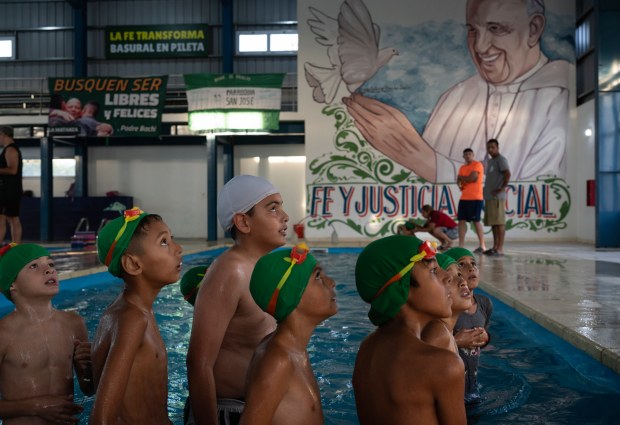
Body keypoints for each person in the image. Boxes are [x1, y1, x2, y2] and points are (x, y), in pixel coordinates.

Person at [343, 0, 569, 183]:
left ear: (534, 29)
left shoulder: (561, 98)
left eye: (495, 28)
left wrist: (425, 161)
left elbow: (539, 193)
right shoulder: (456, 96)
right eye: (473, 30)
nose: (479, 46)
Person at [186, 175, 289, 425]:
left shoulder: (262, 269)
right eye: (272, 208)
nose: (285, 216)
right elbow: (198, 363)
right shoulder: (230, 270)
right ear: (243, 222)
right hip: (228, 412)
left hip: (255, 407)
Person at [353, 235, 466, 425]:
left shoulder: (366, 350)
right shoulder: (443, 365)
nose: (447, 277)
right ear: (401, 287)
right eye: (433, 270)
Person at [90, 207, 183, 425]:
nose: (178, 249)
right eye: (164, 242)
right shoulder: (132, 319)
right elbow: (101, 418)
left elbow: (96, 385)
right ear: (133, 264)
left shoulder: (134, 311)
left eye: (172, 239)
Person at [239, 243, 337, 425]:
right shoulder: (278, 361)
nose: (331, 282)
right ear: (291, 294)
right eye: (317, 276)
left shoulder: (295, 350)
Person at [0, 243, 94, 424]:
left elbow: (89, 388)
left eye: (51, 264)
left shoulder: (74, 323)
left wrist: (89, 366)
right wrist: (35, 406)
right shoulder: (4, 334)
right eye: (34, 266)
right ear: (12, 283)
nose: (49, 270)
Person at [445, 247, 493, 405]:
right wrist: (456, 342)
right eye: (461, 265)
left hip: (472, 386)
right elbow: (429, 348)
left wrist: (485, 338)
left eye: (473, 263)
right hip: (448, 387)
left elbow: (482, 339)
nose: (471, 267)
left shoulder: (484, 304)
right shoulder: (445, 308)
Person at [421, 253, 473, 354]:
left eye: (459, 274)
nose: (463, 281)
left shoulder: (445, 331)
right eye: (449, 278)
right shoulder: (437, 334)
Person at [483, 139, 510, 256]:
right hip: (490, 196)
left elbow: (507, 174)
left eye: (492, 147)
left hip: (497, 197)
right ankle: (494, 247)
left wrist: (501, 188)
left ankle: (500, 249)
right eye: (488, 147)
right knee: (494, 223)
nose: (490, 150)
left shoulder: (501, 160)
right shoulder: (491, 161)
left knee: (499, 222)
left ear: (497, 147)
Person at [457, 148, 487, 253]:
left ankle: (482, 245)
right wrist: (460, 181)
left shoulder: (477, 164)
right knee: (461, 221)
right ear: (463, 156)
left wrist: (462, 178)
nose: (468, 156)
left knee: (476, 221)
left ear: (473, 155)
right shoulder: (462, 167)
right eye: (466, 154)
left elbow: (472, 178)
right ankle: (461, 245)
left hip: (476, 197)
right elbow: (458, 181)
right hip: (464, 197)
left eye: (470, 154)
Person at [0, 126, 23, 245]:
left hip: (9, 190)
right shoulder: (8, 149)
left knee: (4, 218)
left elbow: (13, 170)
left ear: (3, 134)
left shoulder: (10, 150)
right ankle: (16, 246)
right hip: (10, 189)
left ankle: (16, 245)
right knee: (11, 218)